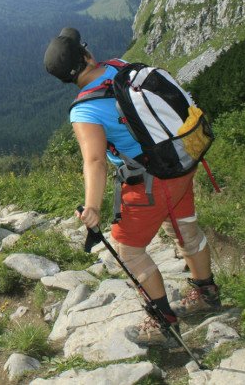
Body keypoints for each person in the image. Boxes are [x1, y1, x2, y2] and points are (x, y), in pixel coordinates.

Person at [43, 27, 221, 344]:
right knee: (185, 228)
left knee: (129, 251)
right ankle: (206, 294)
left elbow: (95, 161)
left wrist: (92, 207)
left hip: (151, 181)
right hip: (181, 159)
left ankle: (162, 324)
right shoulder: (119, 66)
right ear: (87, 56)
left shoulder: (84, 110)